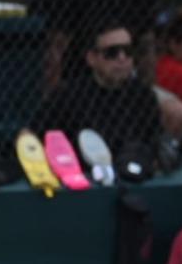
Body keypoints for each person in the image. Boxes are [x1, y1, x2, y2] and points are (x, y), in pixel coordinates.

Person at [31, 19, 164, 164]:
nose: (122, 58)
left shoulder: (143, 96)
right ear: (92, 58)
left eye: (128, 51)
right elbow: (32, 134)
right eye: (111, 53)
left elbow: (155, 141)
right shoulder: (68, 96)